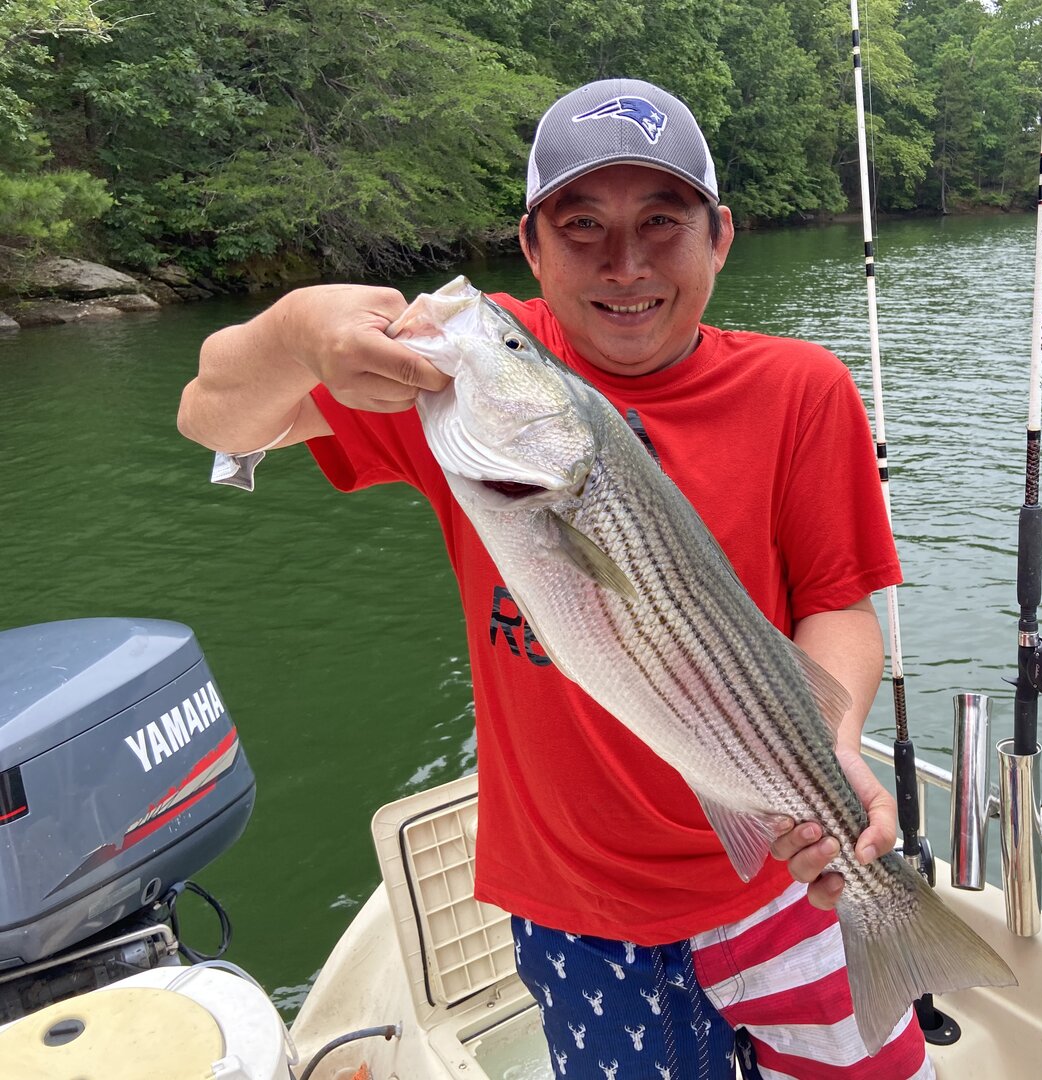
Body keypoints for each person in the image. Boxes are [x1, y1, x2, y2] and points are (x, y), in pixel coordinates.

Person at [179, 78, 929, 1079]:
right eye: (581, 226)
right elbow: (214, 419)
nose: (626, 264)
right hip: (581, 907)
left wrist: (828, 748)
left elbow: (837, 601)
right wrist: (299, 333)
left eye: (661, 221)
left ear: (720, 237)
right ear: (531, 247)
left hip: (787, 871)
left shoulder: (801, 389)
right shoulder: (455, 387)